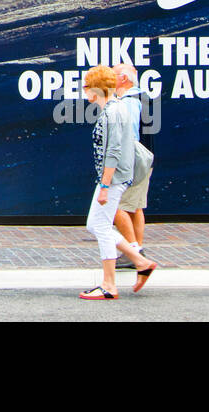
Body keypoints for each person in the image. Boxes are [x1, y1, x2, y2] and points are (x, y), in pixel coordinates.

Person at [79, 65, 157, 299]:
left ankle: (109, 285)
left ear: (96, 88)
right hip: (113, 179)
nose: (84, 90)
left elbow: (112, 151)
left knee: (101, 227)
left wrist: (104, 185)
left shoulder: (113, 111)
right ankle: (139, 260)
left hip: (112, 180)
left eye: (86, 85)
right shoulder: (114, 108)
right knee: (95, 224)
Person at [113, 63, 154, 269]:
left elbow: (130, 136)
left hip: (132, 161)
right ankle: (137, 250)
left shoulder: (128, 102)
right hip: (145, 161)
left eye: (113, 75)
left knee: (115, 206)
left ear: (123, 79)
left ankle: (132, 251)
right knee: (135, 207)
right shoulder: (143, 98)